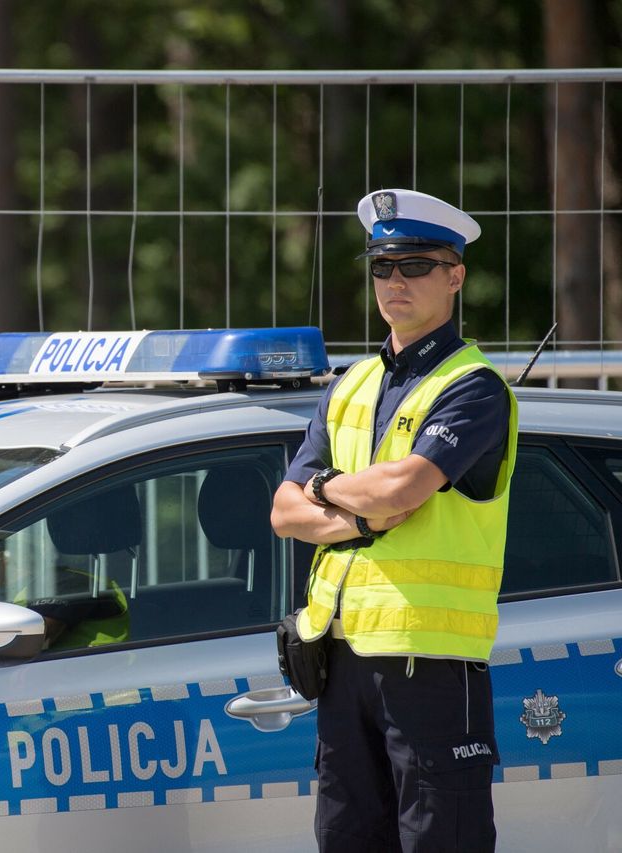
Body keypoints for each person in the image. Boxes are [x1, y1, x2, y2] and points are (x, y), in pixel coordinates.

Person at [270, 189, 518, 852]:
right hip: (342, 661)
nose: (395, 281)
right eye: (383, 266)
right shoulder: (348, 383)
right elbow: (285, 508)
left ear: (456, 275)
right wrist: (360, 512)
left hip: (429, 664)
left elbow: (406, 484)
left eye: (416, 265)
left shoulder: (473, 385)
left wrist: (328, 491)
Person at [0, 540, 129, 650]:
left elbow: (35, 640)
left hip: (98, 689)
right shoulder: (16, 591)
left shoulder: (69, 582)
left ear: (2, 555)